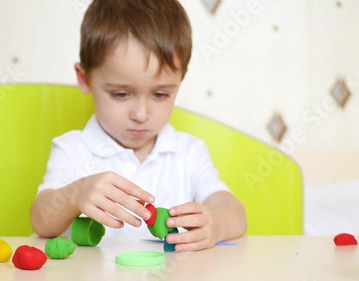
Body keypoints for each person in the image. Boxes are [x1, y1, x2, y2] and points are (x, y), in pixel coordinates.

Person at [30, 0, 247, 252]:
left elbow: (234, 211)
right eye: (121, 94)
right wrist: (75, 194)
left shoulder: (188, 151)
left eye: (160, 95)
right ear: (84, 78)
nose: (141, 114)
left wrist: (217, 224)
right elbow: (40, 221)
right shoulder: (72, 149)